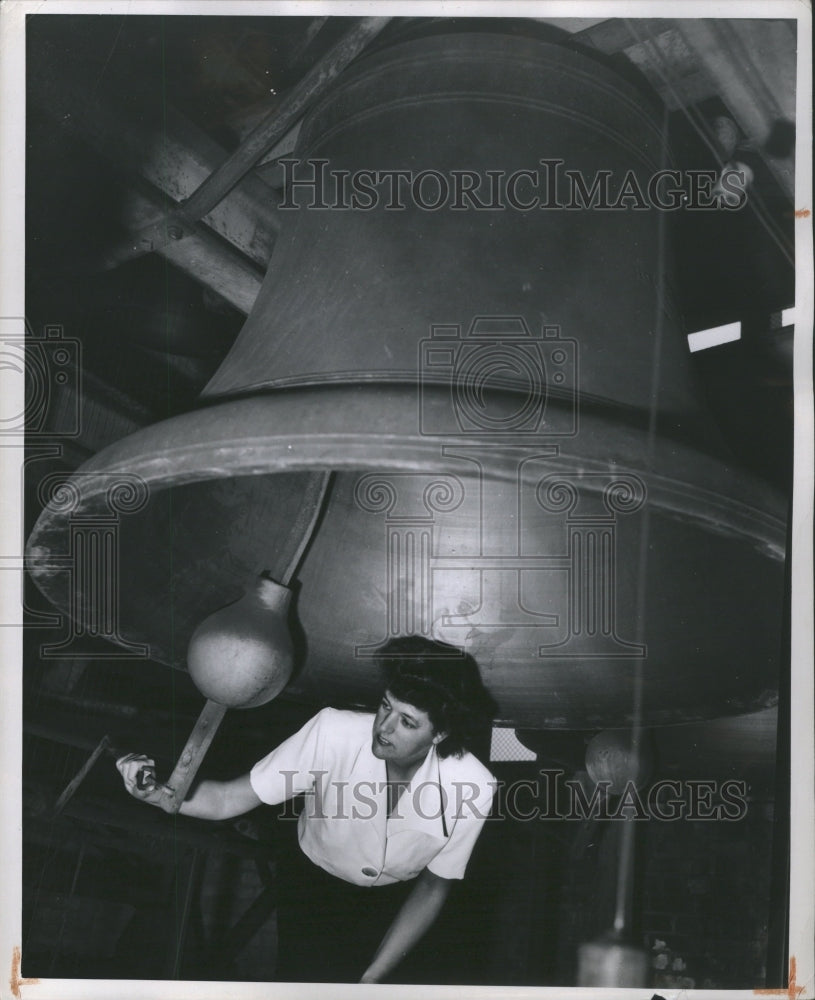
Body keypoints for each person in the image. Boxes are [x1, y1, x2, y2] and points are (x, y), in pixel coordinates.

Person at [117, 636, 497, 983]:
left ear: (441, 734)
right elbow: (229, 799)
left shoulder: (474, 785)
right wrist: (161, 794)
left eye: (407, 722)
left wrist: (371, 978)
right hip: (312, 885)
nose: (384, 726)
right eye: (385, 706)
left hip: (395, 901)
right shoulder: (332, 732)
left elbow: (434, 886)